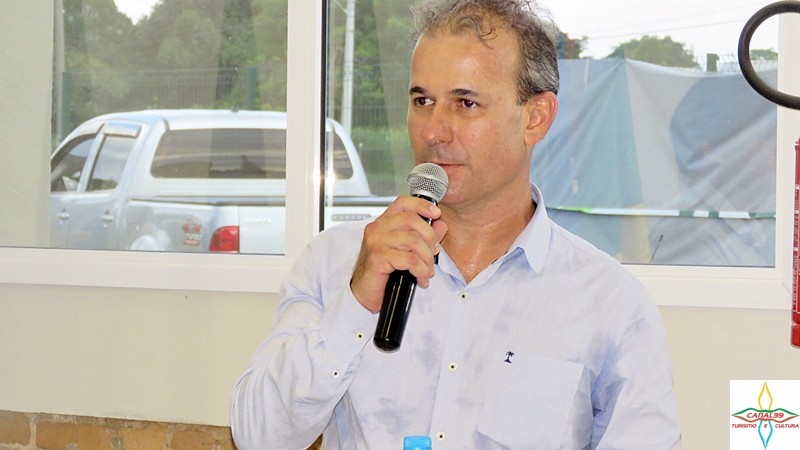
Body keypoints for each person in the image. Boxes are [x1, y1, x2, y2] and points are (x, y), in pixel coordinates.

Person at [231, 0, 681, 448]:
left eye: (466, 103)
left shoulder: (610, 304)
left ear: (536, 118)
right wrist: (355, 305)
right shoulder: (337, 262)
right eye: (422, 101)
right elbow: (256, 437)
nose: (433, 131)